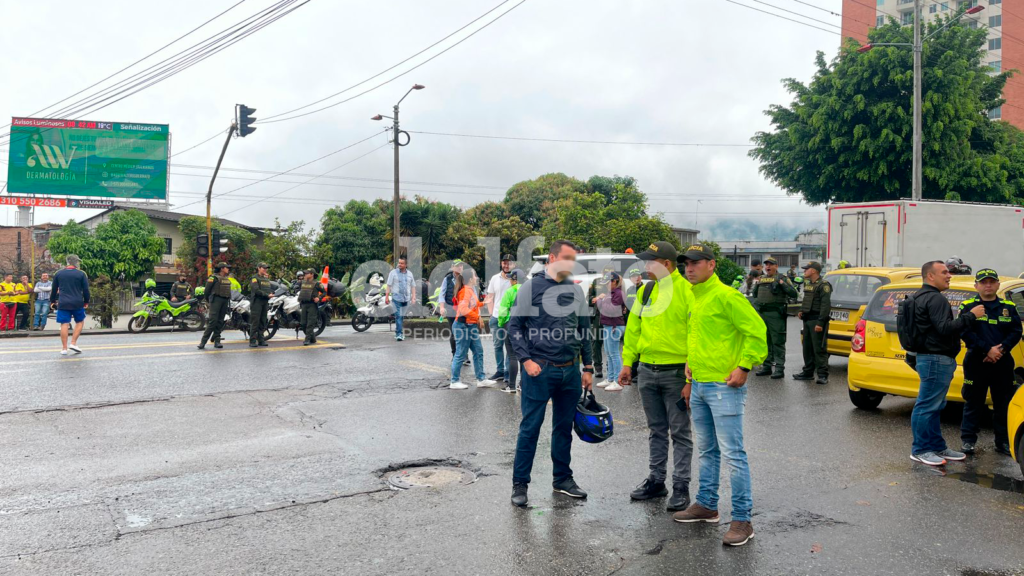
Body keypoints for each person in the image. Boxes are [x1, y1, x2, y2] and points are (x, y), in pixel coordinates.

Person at [676, 243, 767, 547]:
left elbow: (757, 331)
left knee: (733, 454)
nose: (689, 269)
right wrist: (690, 367)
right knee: (707, 450)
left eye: (695, 263)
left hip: (724, 386)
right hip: (700, 383)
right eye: (686, 264)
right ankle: (706, 505)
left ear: (711, 264)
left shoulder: (727, 296)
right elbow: (700, 337)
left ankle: (742, 519)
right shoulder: (696, 296)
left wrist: (745, 366)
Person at [508, 239, 594, 507]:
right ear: (553, 258)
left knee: (563, 429)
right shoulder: (530, 287)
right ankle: (520, 484)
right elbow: (514, 326)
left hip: (570, 371)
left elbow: (585, 329)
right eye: (568, 259)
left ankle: (562, 480)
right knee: (530, 428)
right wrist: (525, 360)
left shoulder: (575, 290)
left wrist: (588, 367)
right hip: (539, 370)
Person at [618, 241, 694, 511]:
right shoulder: (646, 290)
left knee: (680, 432)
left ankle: (681, 486)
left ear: (666, 264)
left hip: (677, 372)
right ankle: (656, 480)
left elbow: (696, 334)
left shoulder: (688, 291)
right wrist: (628, 363)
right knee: (656, 430)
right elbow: (634, 329)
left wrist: (690, 380)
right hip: (648, 371)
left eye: (650, 261)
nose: (645, 265)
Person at [908, 261, 985, 467]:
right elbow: (944, 328)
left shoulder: (921, 296)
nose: (949, 275)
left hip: (931, 358)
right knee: (927, 405)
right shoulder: (936, 299)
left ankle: (936, 446)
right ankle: (921, 449)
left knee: (935, 405)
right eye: (944, 272)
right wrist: (971, 316)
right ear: (930, 276)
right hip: (935, 359)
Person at [958, 268, 1022, 456]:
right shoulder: (968, 306)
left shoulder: (1008, 306)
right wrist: (987, 349)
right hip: (976, 361)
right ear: (976, 285)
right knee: (973, 402)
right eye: (983, 282)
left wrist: (1000, 350)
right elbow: (965, 332)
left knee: (1003, 403)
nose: (988, 285)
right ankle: (968, 441)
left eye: (991, 282)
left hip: (1002, 362)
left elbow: (1016, 332)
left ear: (997, 285)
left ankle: (1002, 441)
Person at [449, 267, 496, 390]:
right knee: (460, 353)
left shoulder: (470, 290)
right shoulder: (465, 291)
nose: (476, 278)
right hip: (463, 326)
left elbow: (473, 304)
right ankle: (454, 381)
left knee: (478, 351)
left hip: (470, 326)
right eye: (475, 276)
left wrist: (483, 303)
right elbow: (463, 309)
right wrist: (478, 317)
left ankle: (481, 379)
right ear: (470, 279)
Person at [752, 257, 797, 379]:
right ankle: (766, 367)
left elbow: (793, 293)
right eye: (766, 265)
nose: (768, 267)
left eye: (771, 264)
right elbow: (755, 294)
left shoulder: (782, 278)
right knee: (765, 341)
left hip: (776, 314)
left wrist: (782, 284)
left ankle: (779, 369)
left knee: (778, 342)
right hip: (763, 314)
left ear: (776, 266)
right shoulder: (761, 279)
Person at [794, 262, 832, 385]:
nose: (804, 271)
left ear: (814, 271)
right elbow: (807, 300)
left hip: (817, 320)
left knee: (819, 349)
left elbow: (825, 306)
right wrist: (802, 310)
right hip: (808, 320)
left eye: (807, 269)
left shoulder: (824, 285)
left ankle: (822, 375)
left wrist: (820, 323)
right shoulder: (809, 284)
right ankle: (808, 372)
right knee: (807, 348)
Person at [51, 255, 90, 355]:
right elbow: (86, 289)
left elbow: (54, 289)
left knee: (64, 323)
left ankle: (64, 348)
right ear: (75, 262)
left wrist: (52, 301)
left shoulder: (58, 273)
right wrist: (86, 301)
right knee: (80, 321)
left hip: (63, 302)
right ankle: (73, 343)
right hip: (77, 302)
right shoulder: (81, 273)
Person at [485, 255, 515, 382]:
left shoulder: (515, 279)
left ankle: (508, 373)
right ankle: (500, 371)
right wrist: (491, 314)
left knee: (509, 347)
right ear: (501, 263)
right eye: (504, 263)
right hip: (496, 316)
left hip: (510, 318)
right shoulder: (494, 278)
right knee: (497, 346)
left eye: (509, 263)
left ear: (514, 264)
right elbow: (490, 297)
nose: (506, 265)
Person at [596, 272, 627, 392]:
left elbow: (611, 310)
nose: (606, 285)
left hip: (615, 326)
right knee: (609, 353)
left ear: (614, 281)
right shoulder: (611, 293)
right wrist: (603, 300)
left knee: (614, 354)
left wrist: (600, 300)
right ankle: (610, 379)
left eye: (607, 282)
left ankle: (617, 381)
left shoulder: (619, 293)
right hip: (608, 325)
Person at [497, 269, 524, 394]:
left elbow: (503, 311)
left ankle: (511, 386)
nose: (509, 281)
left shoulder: (510, 291)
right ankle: (523, 384)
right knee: (524, 355)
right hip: (526, 326)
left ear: (514, 280)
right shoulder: (529, 291)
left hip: (511, 324)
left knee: (512, 356)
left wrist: (501, 323)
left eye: (510, 279)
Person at [199, 263, 233, 350]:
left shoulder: (226, 278)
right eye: (226, 268)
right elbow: (207, 291)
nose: (228, 269)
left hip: (225, 300)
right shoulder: (213, 278)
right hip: (216, 300)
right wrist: (209, 300)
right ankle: (203, 342)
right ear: (222, 269)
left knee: (220, 321)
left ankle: (217, 341)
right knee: (213, 321)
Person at [386, 257, 416, 341]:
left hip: (406, 299)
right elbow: (389, 285)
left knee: (401, 316)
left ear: (406, 264)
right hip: (396, 298)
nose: (399, 264)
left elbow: (413, 286)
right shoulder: (393, 273)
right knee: (398, 315)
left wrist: (413, 297)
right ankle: (399, 334)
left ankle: (397, 332)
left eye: (402, 263)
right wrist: (387, 296)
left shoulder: (410, 274)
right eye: (399, 263)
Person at [624, 266, 646, 383]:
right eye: (633, 276)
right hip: (630, 321)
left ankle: (639, 372)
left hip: (641, 321)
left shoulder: (645, 289)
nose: (636, 278)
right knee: (631, 346)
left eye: (638, 276)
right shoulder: (630, 290)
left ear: (641, 277)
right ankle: (632, 371)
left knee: (639, 348)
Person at [439, 260, 464, 359]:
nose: (460, 267)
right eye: (457, 266)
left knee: (463, 331)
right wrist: (442, 307)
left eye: (461, 266)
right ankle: (455, 354)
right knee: (454, 331)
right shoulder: (447, 278)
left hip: (463, 309)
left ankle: (464, 355)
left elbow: (472, 292)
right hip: (450, 308)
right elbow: (442, 294)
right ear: (453, 267)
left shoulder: (465, 278)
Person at [297, 269, 326, 346]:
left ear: (312, 274)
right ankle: (313, 338)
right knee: (303, 323)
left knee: (310, 323)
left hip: (312, 305)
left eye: (307, 273)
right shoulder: (302, 282)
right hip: (304, 305)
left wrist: (319, 298)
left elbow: (324, 292)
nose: (305, 275)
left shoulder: (317, 283)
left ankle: (307, 339)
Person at [249, 263, 273, 348]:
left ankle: (261, 340)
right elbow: (256, 290)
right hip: (257, 302)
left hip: (265, 302)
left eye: (266, 268)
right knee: (255, 322)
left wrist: (271, 294)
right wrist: (267, 295)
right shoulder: (254, 278)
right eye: (264, 268)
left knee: (263, 321)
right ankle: (252, 340)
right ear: (258, 268)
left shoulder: (266, 279)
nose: (265, 269)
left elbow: (268, 289)